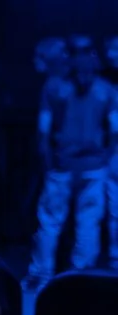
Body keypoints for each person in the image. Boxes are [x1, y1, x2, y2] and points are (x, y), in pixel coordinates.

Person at [31, 36, 117, 282]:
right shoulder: (104, 90)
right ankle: (78, 274)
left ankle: (45, 274)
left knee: (54, 221)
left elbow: (44, 132)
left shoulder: (56, 87)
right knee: (85, 221)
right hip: (84, 166)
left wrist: (48, 160)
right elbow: (114, 131)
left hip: (69, 165)